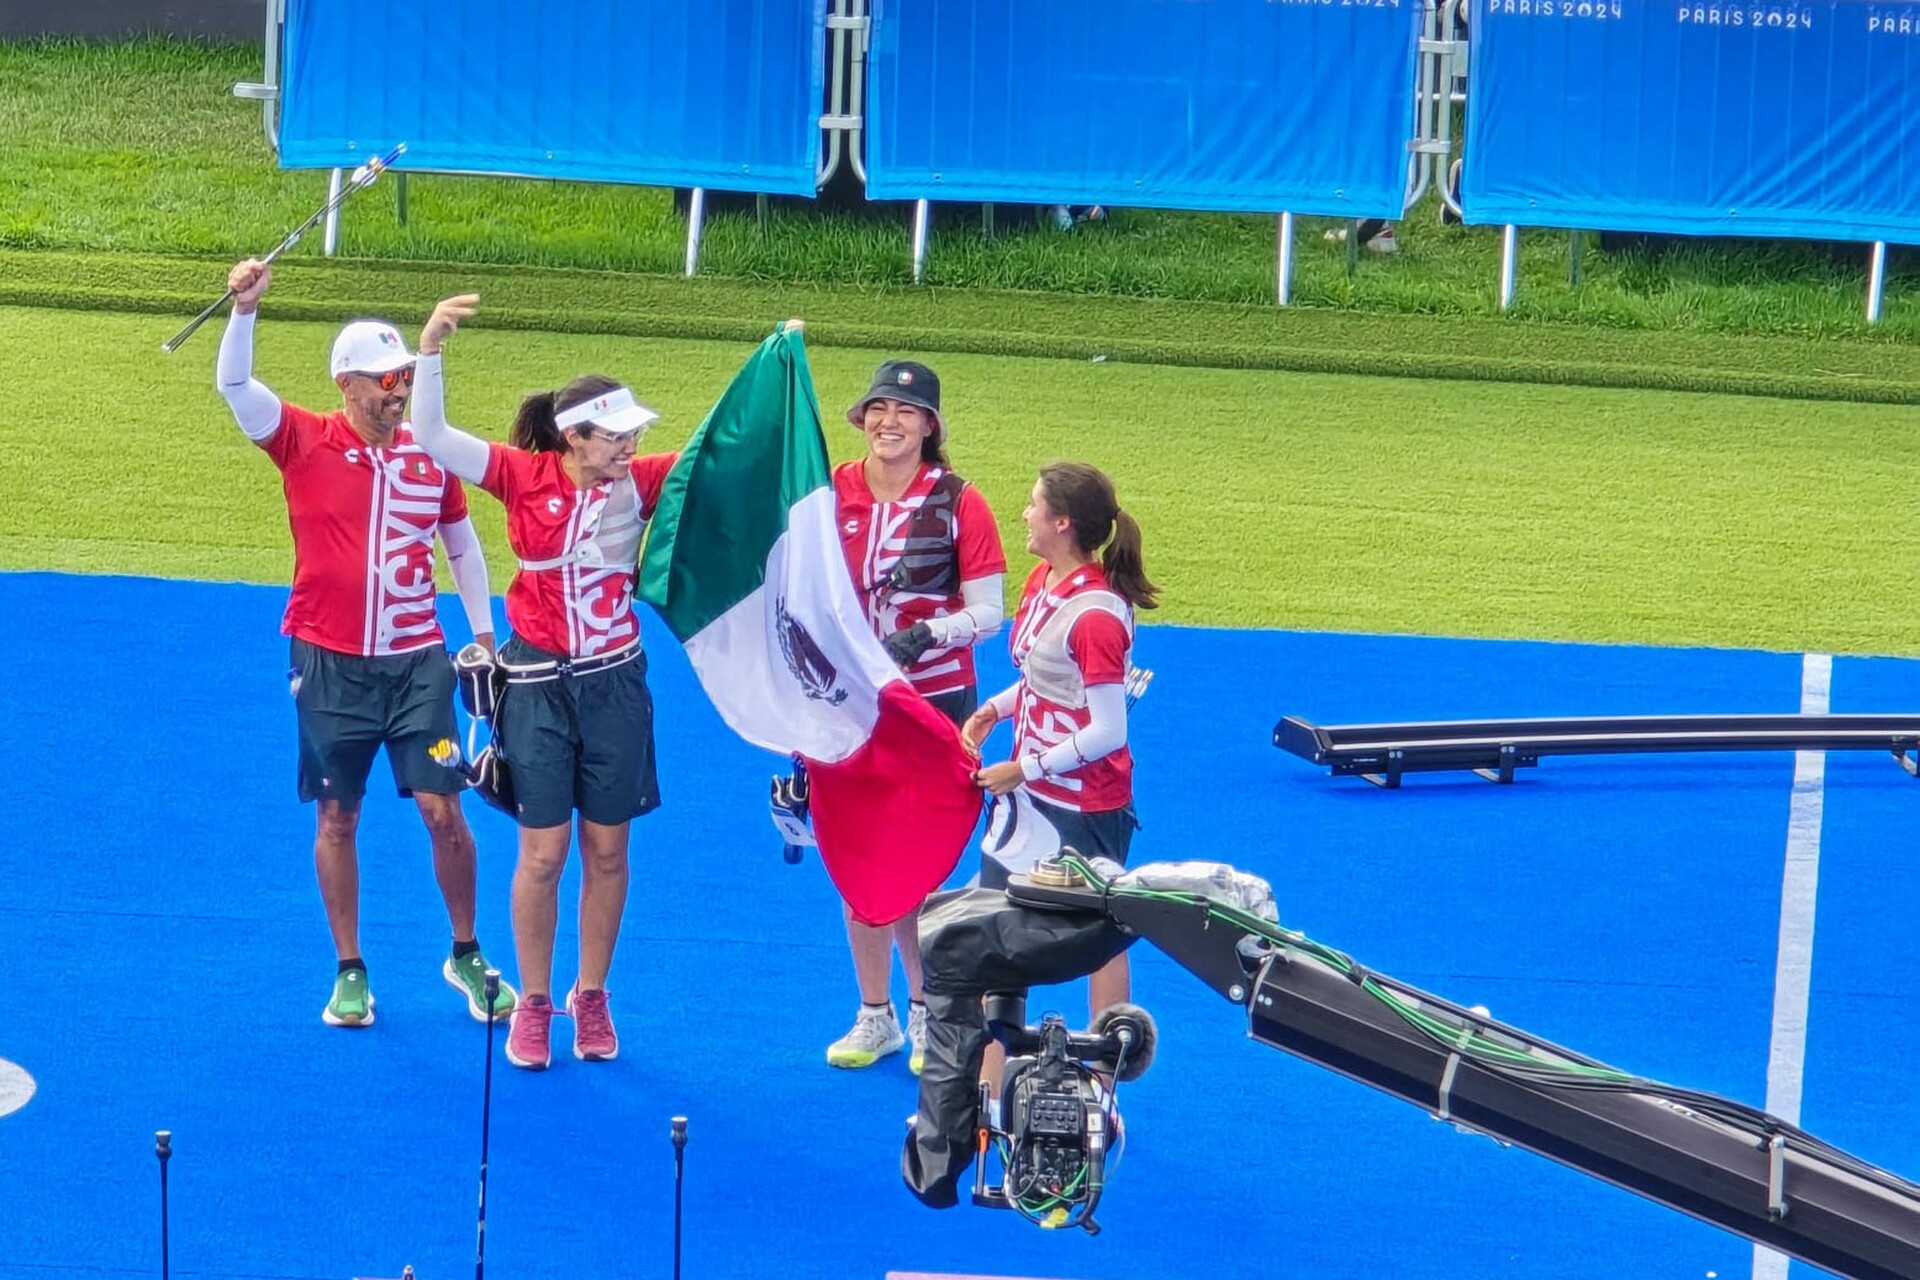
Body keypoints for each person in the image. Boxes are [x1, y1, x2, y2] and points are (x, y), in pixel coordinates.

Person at [214, 259, 513, 1030]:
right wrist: (244, 311)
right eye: (383, 379)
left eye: (404, 376)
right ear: (345, 384)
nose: (397, 390)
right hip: (327, 663)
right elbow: (236, 388)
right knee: (337, 816)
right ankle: (349, 968)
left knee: (445, 810)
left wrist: (484, 637)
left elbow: (461, 544)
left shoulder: (430, 454)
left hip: (418, 665)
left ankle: (466, 951)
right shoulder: (303, 439)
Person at [407, 294, 674, 1071]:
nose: (630, 445)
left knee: (609, 851)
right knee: (544, 854)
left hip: (615, 684)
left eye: (633, 434)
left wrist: (774, 376)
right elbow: (433, 436)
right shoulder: (521, 475)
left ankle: (591, 997)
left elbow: (729, 455)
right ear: (574, 438)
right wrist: (431, 349)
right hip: (535, 686)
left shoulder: (646, 480)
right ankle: (533, 1001)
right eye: (616, 435)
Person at [825, 360, 1007, 1074]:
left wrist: (927, 634)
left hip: (932, 701)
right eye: (878, 409)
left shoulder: (961, 501)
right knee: (858, 854)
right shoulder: (829, 490)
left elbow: (989, 613)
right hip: (852, 702)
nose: (888, 422)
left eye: (905, 412)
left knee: (923, 861)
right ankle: (875, 1014)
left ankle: (929, 1008)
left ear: (930, 425)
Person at [962, 461, 1158, 1082]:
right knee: (995, 932)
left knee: (1099, 938)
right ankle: (987, 1089)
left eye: (1034, 504)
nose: (1024, 514)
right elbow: (1042, 678)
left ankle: (1105, 1076)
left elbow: (1107, 730)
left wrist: (1024, 768)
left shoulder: (1096, 617)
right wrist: (995, 710)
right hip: (1030, 798)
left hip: (1084, 806)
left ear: (1063, 522)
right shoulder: (1044, 581)